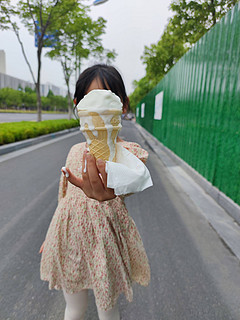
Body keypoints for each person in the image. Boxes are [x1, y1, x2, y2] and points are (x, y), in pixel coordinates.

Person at [39, 64, 151, 320]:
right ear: (79, 107)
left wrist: (112, 169)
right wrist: (50, 235)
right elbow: (64, 194)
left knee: (107, 307)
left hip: (104, 240)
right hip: (68, 236)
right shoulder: (75, 150)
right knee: (74, 307)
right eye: (91, 101)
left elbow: (135, 173)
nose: (99, 110)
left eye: (108, 100)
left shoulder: (125, 152)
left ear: (123, 106)